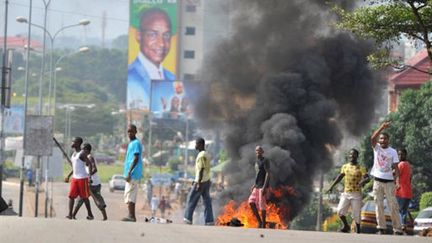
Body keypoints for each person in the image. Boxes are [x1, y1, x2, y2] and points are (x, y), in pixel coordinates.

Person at [127, 8, 175, 110]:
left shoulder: (172, 78)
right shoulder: (131, 76)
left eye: (166, 35)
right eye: (153, 35)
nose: (161, 43)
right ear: (139, 35)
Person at [370, 121, 403, 235]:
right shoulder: (377, 148)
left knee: (393, 205)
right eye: (381, 139)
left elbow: (396, 168)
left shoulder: (393, 151)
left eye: (385, 139)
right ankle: (381, 227)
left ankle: (397, 229)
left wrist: (397, 181)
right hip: (377, 181)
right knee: (378, 205)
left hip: (389, 182)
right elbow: (372, 138)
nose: (382, 140)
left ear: (388, 140)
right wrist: (382, 127)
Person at [327, 149, 369, 233]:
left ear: (357, 156)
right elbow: (340, 176)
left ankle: (358, 230)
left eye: (354, 154)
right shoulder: (345, 166)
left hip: (356, 194)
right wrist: (331, 186)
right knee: (340, 211)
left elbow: (367, 178)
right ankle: (346, 226)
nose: (351, 156)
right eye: (350, 154)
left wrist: (362, 181)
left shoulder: (361, 167)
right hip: (346, 193)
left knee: (356, 214)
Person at [72, 143, 108, 221]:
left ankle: (73, 215)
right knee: (96, 199)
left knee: (82, 198)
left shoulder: (89, 157)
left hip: (91, 183)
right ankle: (104, 216)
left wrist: (89, 176)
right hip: (95, 183)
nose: (81, 150)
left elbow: (95, 169)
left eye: (83, 149)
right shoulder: (84, 158)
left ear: (87, 150)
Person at [184, 137, 214, 225]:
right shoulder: (207, 154)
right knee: (207, 202)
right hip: (207, 181)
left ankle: (187, 218)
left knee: (191, 199)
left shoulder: (201, 155)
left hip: (201, 182)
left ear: (200, 144)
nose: (195, 146)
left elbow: (201, 169)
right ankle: (209, 221)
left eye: (196, 144)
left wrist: (198, 182)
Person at [65, 137, 94, 220]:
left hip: (82, 178)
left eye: (73, 141)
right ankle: (70, 214)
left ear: (78, 143)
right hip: (75, 178)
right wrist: (68, 176)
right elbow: (74, 168)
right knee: (71, 196)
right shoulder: (73, 154)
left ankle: (90, 214)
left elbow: (90, 164)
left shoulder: (82, 154)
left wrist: (90, 176)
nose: (72, 143)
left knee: (84, 197)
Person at [122, 124, 143, 222]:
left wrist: (130, 172)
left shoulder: (136, 143)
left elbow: (136, 158)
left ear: (136, 132)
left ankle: (131, 216)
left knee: (130, 194)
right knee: (128, 194)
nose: (129, 133)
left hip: (133, 173)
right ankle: (131, 215)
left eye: (131, 131)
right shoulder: (131, 143)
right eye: (128, 131)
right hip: (129, 173)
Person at [248, 146, 270, 228]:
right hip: (257, 186)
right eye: (256, 150)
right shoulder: (256, 161)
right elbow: (258, 174)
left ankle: (263, 224)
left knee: (262, 206)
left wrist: (264, 187)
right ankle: (259, 221)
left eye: (259, 150)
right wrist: (254, 185)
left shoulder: (265, 161)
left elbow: (268, 173)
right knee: (251, 201)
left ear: (262, 152)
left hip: (262, 187)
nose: (257, 152)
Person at [395, 148, 412, 231]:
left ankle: (401, 225)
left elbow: (394, 174)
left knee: (400, 210)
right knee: (404, 211)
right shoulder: (408, 164)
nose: (400, 156)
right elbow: (410, 178)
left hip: (401, 191)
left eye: (402, 154)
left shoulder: (400, 164)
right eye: (399, 154)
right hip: (408, 192)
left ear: (406, 155)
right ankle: (404, 225)